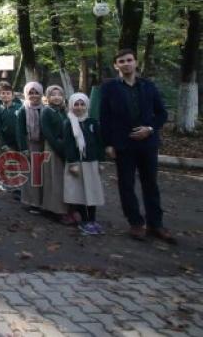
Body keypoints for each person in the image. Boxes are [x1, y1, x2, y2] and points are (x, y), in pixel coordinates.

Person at [100, 48, 172, 242]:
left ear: (136, 62)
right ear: (116, 66)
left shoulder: (148, 86)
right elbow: (104, 118)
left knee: (151, 184)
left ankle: (156, 224)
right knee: (126, 185)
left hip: (148, 144)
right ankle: (136, 223)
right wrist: (107, 144)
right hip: (123, 145)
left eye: (129, 60)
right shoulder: (109, 88)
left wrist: (149, 128)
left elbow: (162, 114)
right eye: (121, 61)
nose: (126, 64)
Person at [63, 93, 106, 235]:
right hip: (77, 164)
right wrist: (72, 163)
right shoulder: (68, 123)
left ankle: (93, 220)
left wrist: (101, 161)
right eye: (76, 104)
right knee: (80, 193)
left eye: (82, 104)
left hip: (91, 163)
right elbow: (69, 145)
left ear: (86, 105)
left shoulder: (92, 122)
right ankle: (84, 221)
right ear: (71, 106)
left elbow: (100, 143)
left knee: (92, 192)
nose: (79, 107)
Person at [40, 85, 73, 224]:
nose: (57, 97)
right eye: (53, 94)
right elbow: (48, 134)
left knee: (65, 181)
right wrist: (60, 149)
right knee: (55, 180)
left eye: (59, 94)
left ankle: (67, 208)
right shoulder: (46, 112)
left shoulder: (65, 111)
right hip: (53, 149)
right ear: (48, 97)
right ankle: (57, 210)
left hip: (65, 148)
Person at [16, 82, 44, 212]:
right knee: (31, 175)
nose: (33, 95)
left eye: (36, 92)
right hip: (29, 145)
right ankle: (32, 202)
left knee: (41, 174)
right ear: (26, 94)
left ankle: (42, 201)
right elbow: (20, 131)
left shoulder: (44, 109)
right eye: (30, 93)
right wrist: (24, 149)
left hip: (42, 146)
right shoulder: (23, 110)